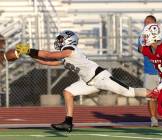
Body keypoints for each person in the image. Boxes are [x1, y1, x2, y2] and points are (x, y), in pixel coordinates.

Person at [16, 30, 154, 133]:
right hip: (88, 82)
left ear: (69, 40)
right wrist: (28, 53)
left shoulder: (70, 49)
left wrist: (29, 49)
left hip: (101, 77)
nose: (59, 41)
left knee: (129, 93)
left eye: (61, 39)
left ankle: (157, 93)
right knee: (68, 92)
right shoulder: (66, 54)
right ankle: (68, 123)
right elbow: (47, 62)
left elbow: (50, 55)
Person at [138, 15, 162, 127]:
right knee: (151, 96)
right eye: (145, 22)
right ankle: (153, 119)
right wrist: (146, 41)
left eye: (149, 22)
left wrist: (153, 43)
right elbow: (140, 49)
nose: (146, 24)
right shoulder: (142, 35)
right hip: (149, 71)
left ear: (155, 23)